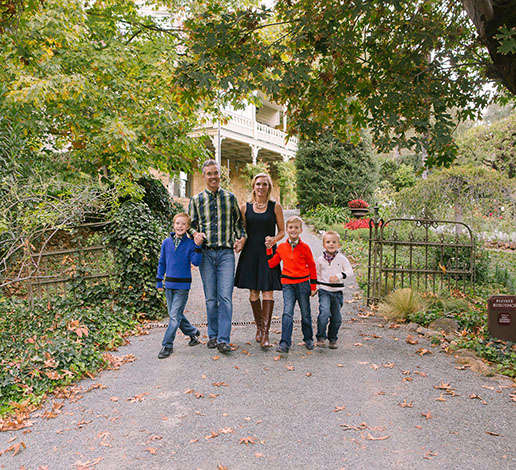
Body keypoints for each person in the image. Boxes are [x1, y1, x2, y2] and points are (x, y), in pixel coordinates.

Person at [188, 159, 247, 354]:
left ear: (220, 175)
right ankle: (212, 335)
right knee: (211, 299)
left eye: (216, 173)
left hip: (225, 254)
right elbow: (190, 226)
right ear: (204, 176)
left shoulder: (230, 199)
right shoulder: (196, 200)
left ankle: (223, 339)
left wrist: (242, 239)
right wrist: (195, 234)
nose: (213, 177)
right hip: (206, 254)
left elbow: (239, 225)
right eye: (209, 173)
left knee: (225, 298)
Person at [234, 173, 284, 348]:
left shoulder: (275, 206)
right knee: (254, 293)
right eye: (258, 184)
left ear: (269, 187)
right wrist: (240, 242)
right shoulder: (245, 208)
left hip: (268, 253)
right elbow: (243, 231)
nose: (261, 187)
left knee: (268, 292)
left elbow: (282, 231)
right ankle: (259, 328)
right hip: (250, 254)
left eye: (264, 184)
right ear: (253, 187)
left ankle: (265, 334)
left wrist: (274, 239)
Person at [266, 215, 317, 353]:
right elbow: (272, 263)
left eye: (296, 227)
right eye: (290, 227)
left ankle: (308, 339)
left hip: (303, 284)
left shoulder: (305, 247)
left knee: (306, 313)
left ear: (300, 230)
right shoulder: (281, 247)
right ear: (287, 230)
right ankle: (285, 342)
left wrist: (313, 286)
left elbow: (312, 266)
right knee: (287, 313)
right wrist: (269, 249)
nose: (293, 230)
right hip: (288, 284)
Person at [156, 213, 203, 359]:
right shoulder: (166, 243)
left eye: (183, 224)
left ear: (188, 227)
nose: (180, 226)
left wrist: (198, 247)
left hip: (182, 286)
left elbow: (195, 262)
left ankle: (167, 345)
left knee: (174, 317)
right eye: (177, 223)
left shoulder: (190, 244)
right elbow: (162, 262)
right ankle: (193, 333)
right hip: (169, 285)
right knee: (176, 315)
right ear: (173, 225)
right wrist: (159, 280)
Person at [315, 230, 354, 349]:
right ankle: (321, 336)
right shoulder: (320, 260)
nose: (331, 244)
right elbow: (316, 274)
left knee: (336, 318)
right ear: (323, 245)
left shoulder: (342, 259)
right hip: (324, 291)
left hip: (337, 292)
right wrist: (315, 287)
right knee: (324, 313)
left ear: (338, 244)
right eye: (328, 242)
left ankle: (332, 338)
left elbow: (350, 272)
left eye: (334, 242)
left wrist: (339, 276)